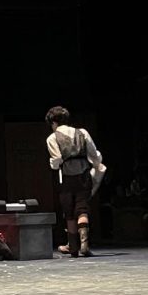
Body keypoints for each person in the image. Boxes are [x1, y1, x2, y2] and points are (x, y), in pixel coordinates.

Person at [45, 106, 105, 257]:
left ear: (53, 122)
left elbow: (56, 160)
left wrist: (55, 165)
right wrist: (97, 165)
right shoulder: (82, 133)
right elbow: (94, 153)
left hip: (65, 178)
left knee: (69, 212)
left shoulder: (52, 138)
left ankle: (73, 246)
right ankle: (84, 244)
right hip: (83, 175)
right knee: (82, 208)